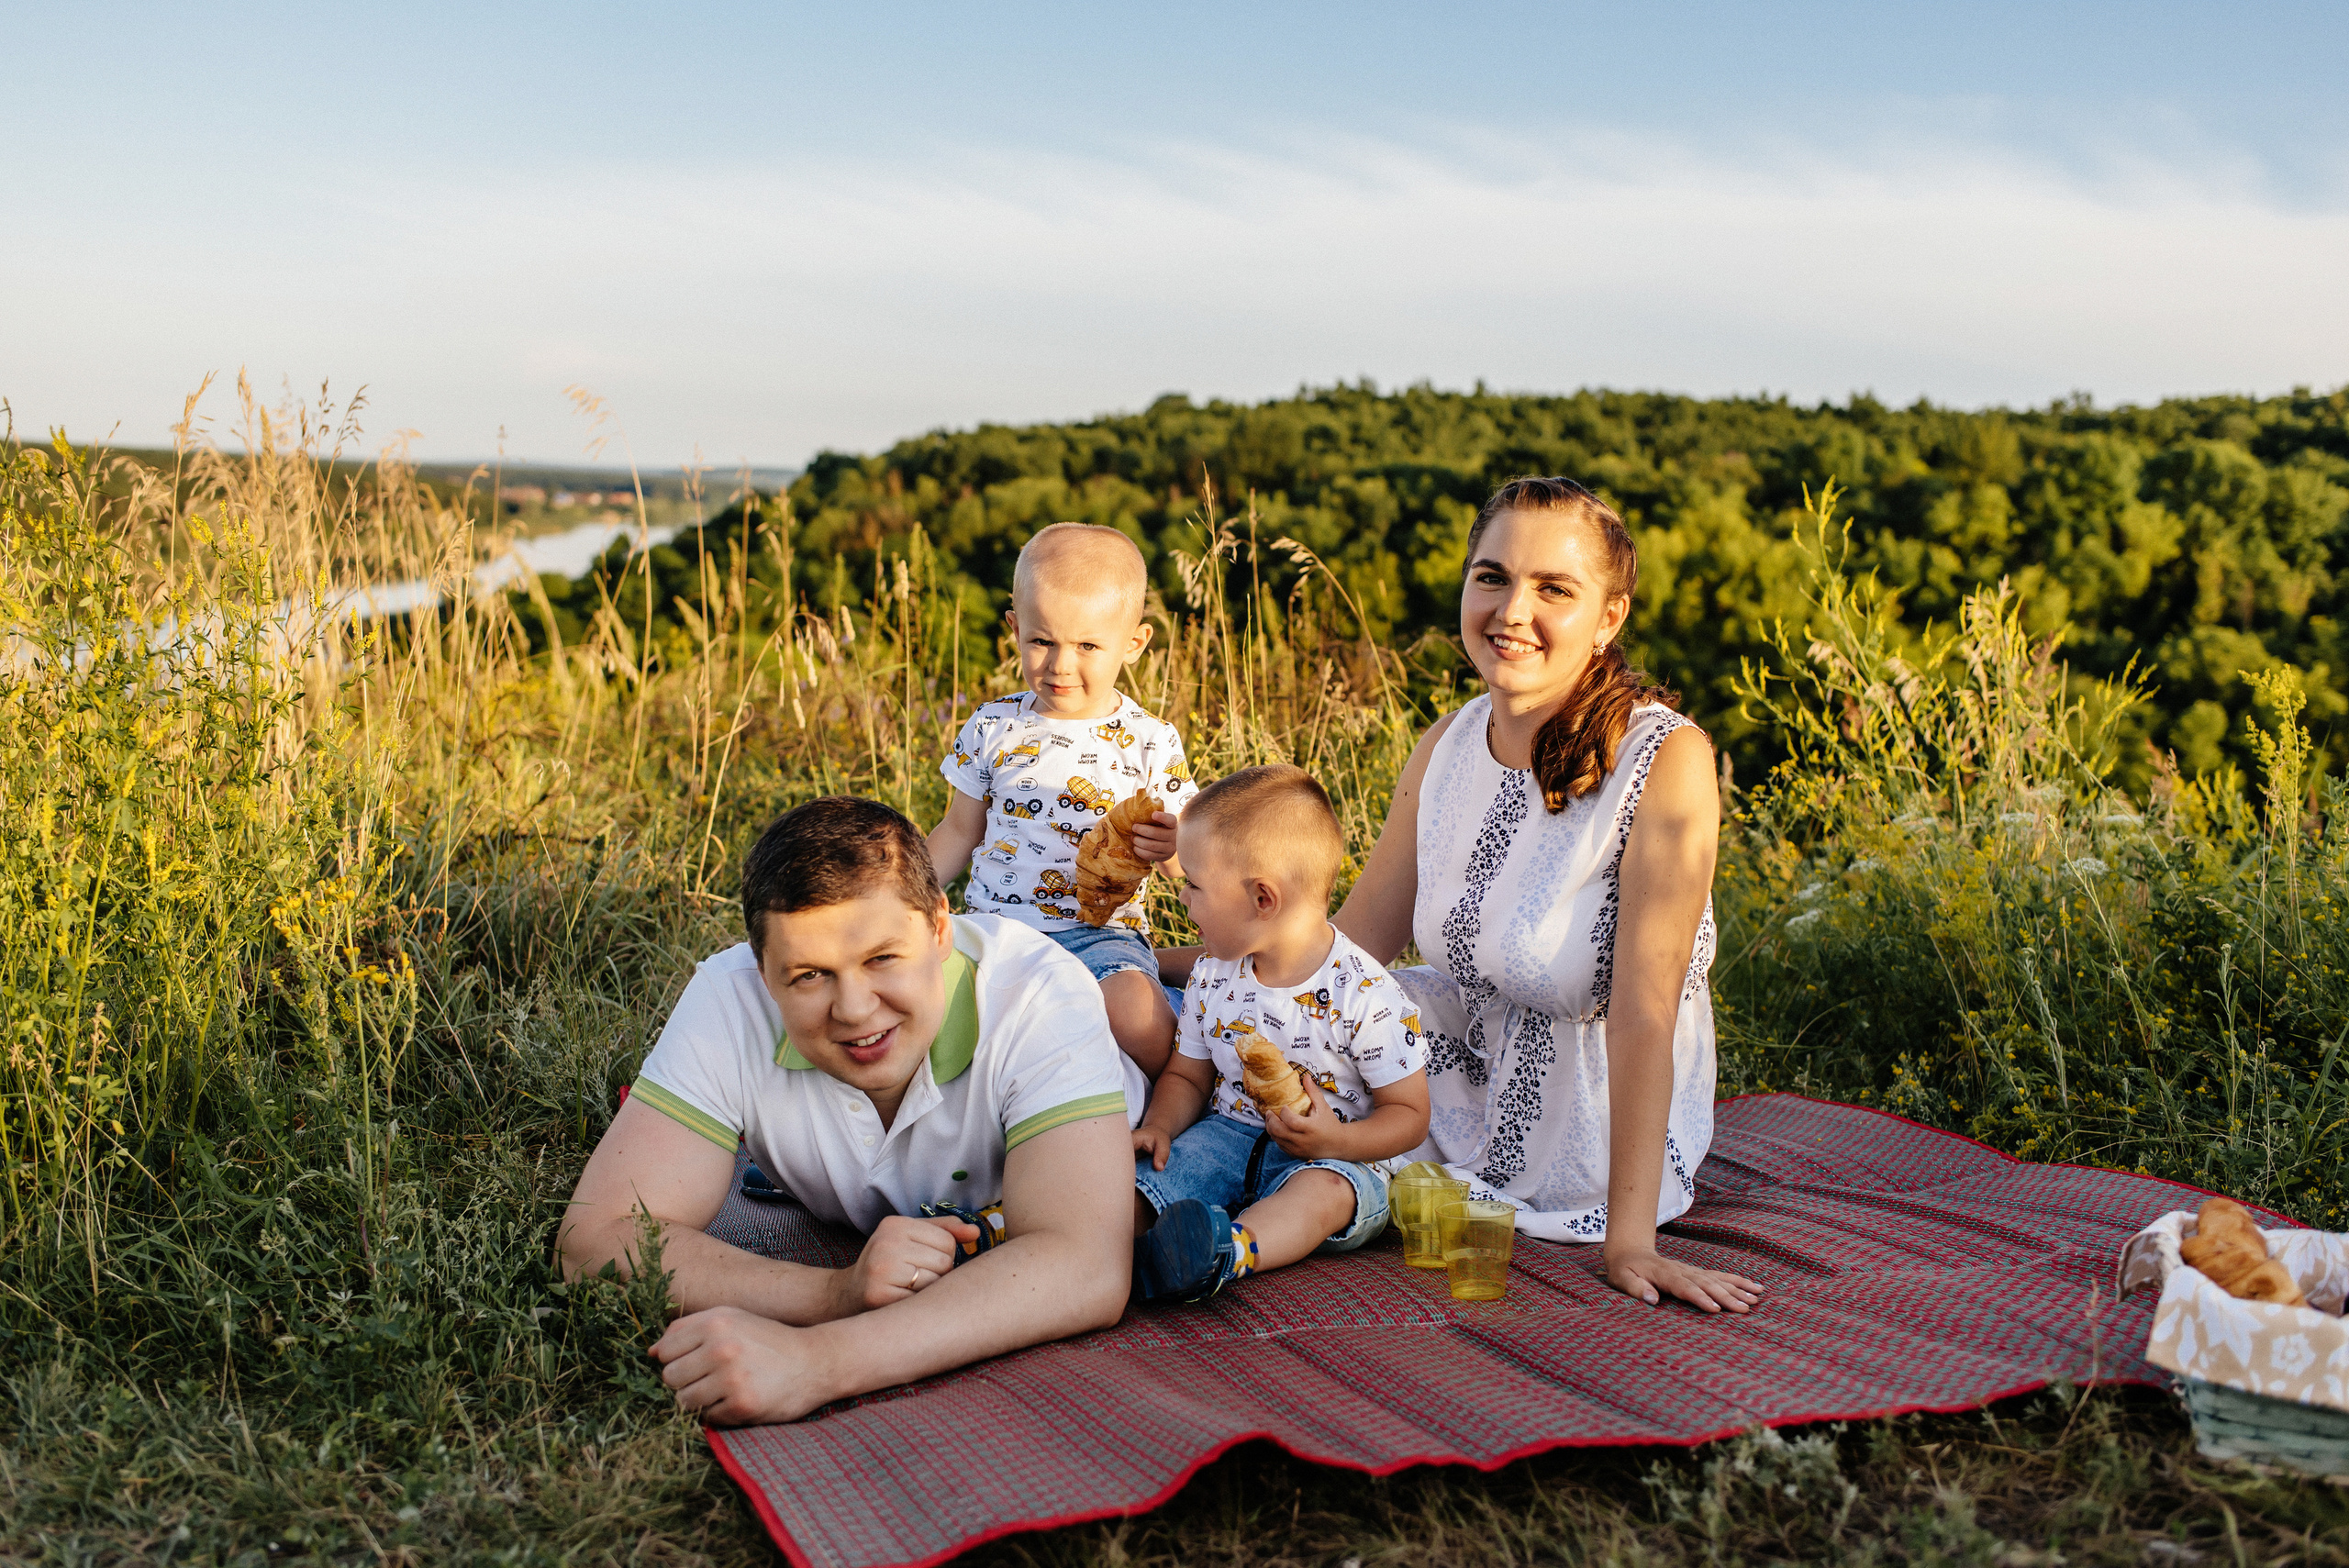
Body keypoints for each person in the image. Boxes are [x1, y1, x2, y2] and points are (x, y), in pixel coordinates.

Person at [1176, 476, 1765, 1314]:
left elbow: (1646, 1010)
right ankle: (1098, 1203)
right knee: (1187, 1010)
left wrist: (1628, 1240)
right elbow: (1343, 943)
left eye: (1553, 588)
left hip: (1587, 1126)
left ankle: (1215, 1230)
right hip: (1449, 1065)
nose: (1512, 610)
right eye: (1492, 577)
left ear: (1610, 617)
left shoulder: (1664, 761)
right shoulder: (1447, 744)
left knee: (1284, 1073)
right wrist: (1159, 962)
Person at [559, 796, 1141, 1425]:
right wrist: (834, 1291)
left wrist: (817, 1359)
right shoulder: (726, 998)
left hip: (1129, 1132)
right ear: (762, 971)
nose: (856, 1009)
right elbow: (592, 1239)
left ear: (940, 929)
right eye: (810, 975)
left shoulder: (1038, 994)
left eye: (881, 958)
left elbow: (1086, 1263)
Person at [1130, 765, 1431, 1302]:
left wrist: (1338, 1141)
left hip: (1340, 1155)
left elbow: (1409, 1116)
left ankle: (1226, 1252)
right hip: (1230, 1135)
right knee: (1151, 1176)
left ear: (1262, 899)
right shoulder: (1213, 973)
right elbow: (1188, 1076)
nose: (1184, 902)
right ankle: (1087, 1234)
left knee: (1325, 1196)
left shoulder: (1365, 994)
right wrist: (1159, 1125)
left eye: (1194, 886)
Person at [927, 522, 1197, 1077]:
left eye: (1088, 646)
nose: (1060, 665)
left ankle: (1179, 1106)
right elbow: (958, 831)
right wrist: (905, 895)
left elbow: (1182, 868)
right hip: (994, 929)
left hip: (1103, 934)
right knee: (934, 1018)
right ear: (1014, 628)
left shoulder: (1152, 740)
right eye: (1042, 640)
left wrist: (1172, 846)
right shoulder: (992, 725)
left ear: (1135, 643)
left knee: (1141, 1020)